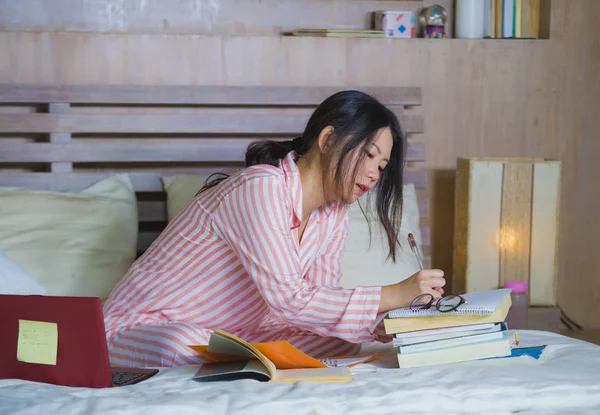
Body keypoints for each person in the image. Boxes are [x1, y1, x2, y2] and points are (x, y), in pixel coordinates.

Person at [102, 90, 446, 368]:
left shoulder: (333, 213)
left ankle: (245, 361)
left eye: (382, 166)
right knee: (184, 345)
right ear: (328, 139)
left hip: (234, 335)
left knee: (340, 341)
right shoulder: (261, 187)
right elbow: (290, 299)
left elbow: (316, 304)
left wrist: (376, 324)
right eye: (369, 156)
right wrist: (390, 294)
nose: (374, 174)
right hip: (141, 328)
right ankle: (243, 360)